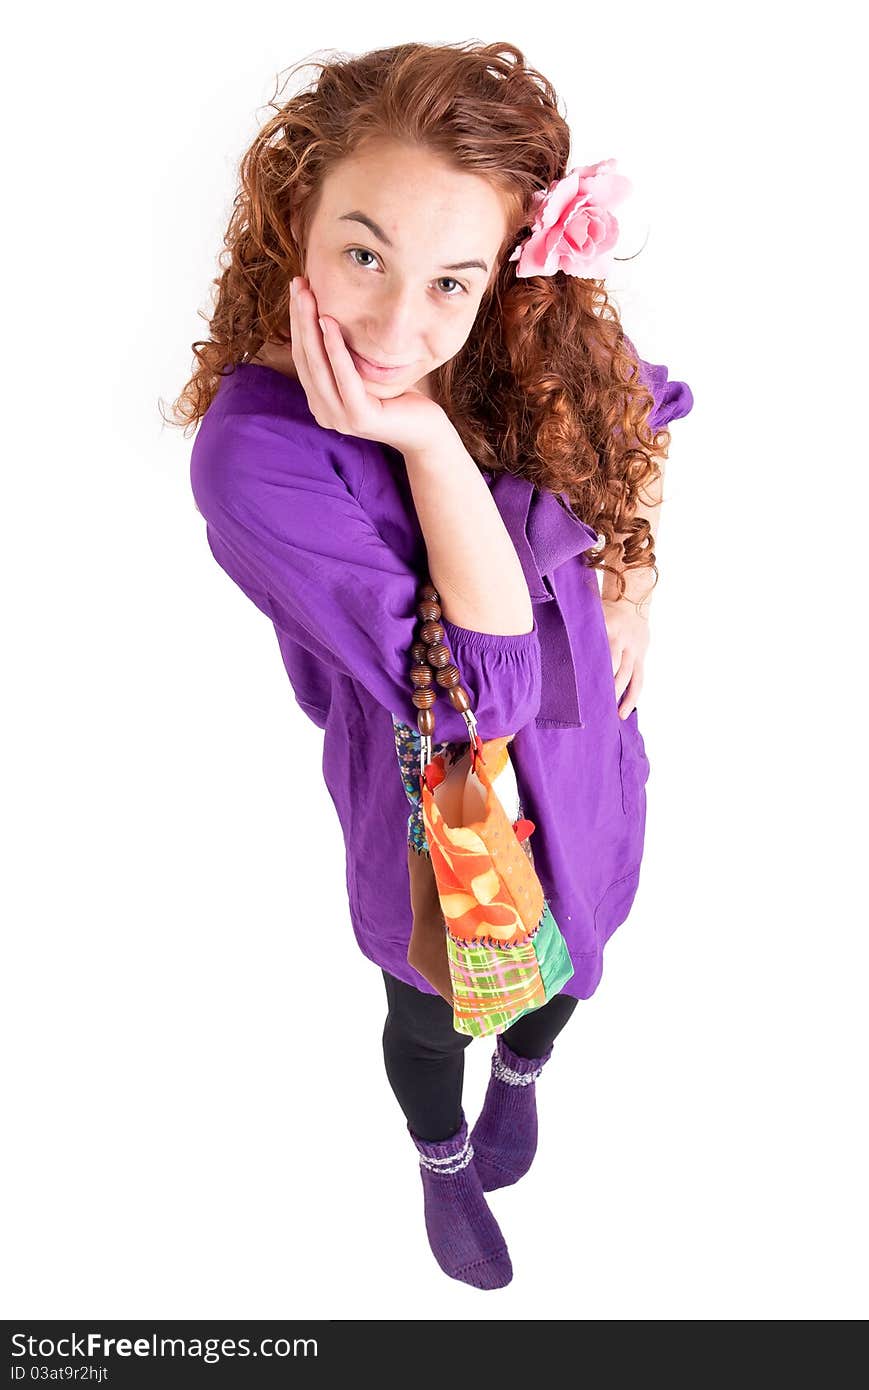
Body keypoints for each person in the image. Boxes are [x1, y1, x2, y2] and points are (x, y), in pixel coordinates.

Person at [168, 39, 694, 1291]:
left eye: (453, 280)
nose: (402, 324)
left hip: (582, 747)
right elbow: (484, 692)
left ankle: (526, 1073)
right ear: (293, 216)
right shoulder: (257, 461)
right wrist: (420, 439)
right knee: (435, 1001)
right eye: (364, 255)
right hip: (433, 801)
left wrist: (633, 580)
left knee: (581, 940)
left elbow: (641, 422)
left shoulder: (521, 328)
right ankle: (441, 1151)